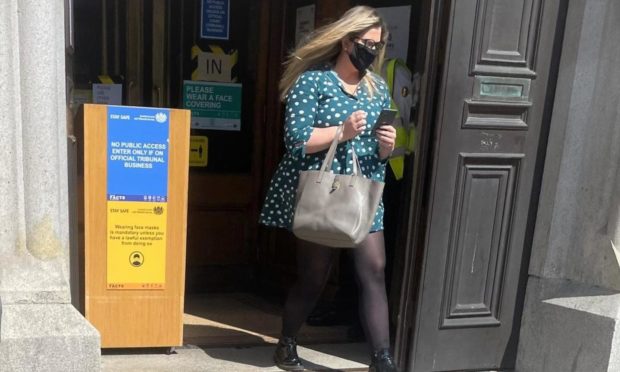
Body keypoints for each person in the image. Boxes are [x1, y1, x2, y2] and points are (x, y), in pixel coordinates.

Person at [259, 6, 398, 372]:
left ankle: (381, 359)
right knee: (314, 277)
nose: (372, 50)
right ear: (347, 40)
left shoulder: (377, 88)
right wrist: (342, 132)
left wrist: (386, 146)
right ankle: (287, 342)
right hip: (324, 190)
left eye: (377, 45)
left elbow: (378, 152)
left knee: (374, 270)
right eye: (366, 43)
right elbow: (296, 140)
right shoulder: (313, 82)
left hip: (363, 190)